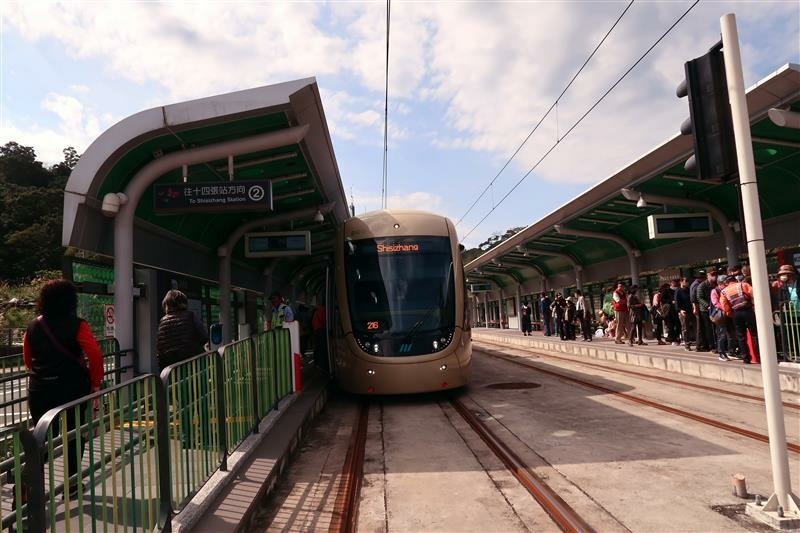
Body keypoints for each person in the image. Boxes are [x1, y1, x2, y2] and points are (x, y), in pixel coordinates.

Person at [23, 279, 104, 495]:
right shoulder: (77, 325)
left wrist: (44, 372)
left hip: (40, 391)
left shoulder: (33, 326)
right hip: (72, 391)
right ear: (71, 300)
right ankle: (72, 485)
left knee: (42, 438)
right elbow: (95, 355)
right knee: (74, 436)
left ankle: (28, 486)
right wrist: (95, 384)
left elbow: (28, 359)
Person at [156, 289, 208, 370]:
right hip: (193, 364)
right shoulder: (190, 316)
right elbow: (204, 337)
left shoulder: (162, 321)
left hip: (171, 368)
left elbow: (160, 347)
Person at [719, 265, 759, 364]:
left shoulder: (724, 291)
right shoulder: (743, 285)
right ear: (735, 280)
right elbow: (754, 293)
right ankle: (758, 356)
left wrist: (730, 313)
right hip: (748, 311)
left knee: (741, 337)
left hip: (736, 314)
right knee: (754, 334)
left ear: (727, 282)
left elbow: (724, 305)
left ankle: (746, 358)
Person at [675, 277, 695, 351]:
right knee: (685, 329)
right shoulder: (678, 291)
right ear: (681, 282)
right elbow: (677, 302)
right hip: (683, 312)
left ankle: (696, 342)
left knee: (694, 327)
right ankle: (687, 344)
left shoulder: (688, 289)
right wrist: (680, 310)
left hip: (691, 311)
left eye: (687, 281)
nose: (687, 283)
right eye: (685, 281)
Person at [311, 303, 328, 371]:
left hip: (316, 330)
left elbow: (313, 322)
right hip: (321, 330)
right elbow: (324, 320)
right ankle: (321, 364)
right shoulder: (322, 310)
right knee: (322, 348)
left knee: (317, 347)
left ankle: (317, 362)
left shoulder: (316, 311)